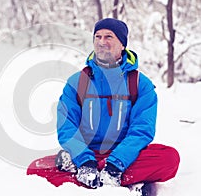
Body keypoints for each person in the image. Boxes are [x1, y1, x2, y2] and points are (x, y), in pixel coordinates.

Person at [55, 18, 180, 194]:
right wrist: (84, 160)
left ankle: (101, 176)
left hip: (127, 156)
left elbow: (142, 130)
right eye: (97, 37)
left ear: (122, 44)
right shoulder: (78, 82)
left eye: (108, 37)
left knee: (169, 159)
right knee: (35, 169)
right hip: (87, 153)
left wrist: (116, 163)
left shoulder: (139, 84)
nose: (101, 42)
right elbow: (66, 125)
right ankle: (112, 178)